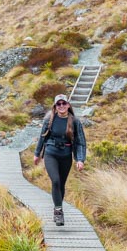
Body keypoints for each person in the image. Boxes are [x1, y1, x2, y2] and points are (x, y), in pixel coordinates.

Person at [33, 94, 86, 225]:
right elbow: (42, 138)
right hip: (51, 153)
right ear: (55, 106)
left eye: (64, 103)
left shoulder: (74, 121)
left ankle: (58, 208)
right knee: (55, 181)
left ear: (68, 105)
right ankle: (58, 211)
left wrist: (80, 159)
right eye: (59, 104)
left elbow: (80, 142)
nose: (61, 106)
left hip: (66, 155)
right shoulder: (49, 120)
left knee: (61, 184)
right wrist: (37, 153)